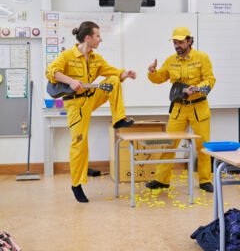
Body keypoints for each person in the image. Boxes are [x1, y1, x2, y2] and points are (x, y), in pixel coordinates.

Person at [46, 21, 136, 202]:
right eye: (98, 36)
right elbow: (51, 71)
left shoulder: (96, 58)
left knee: (113, 80)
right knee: (79, 143)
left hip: (92, 97)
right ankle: (76, 185)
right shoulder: (67, 55)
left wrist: (125, 74)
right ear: (88, 38)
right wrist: (71, 81)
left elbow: (113, 72)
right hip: (76, 106)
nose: (100, 39)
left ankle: (119, 119)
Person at [146, 26, 216, 192]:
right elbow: (160, 78)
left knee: (203, 145)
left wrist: (197, 88)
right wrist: (151, 72)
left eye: (181, 42)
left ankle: (205, 180)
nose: (177, 45)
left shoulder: (202, 57)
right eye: (175, 42)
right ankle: (162, 180)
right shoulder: (171, 60)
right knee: (169, 143)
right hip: (178, 108)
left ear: (189, 41)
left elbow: (210, 80)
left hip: (199, 107)